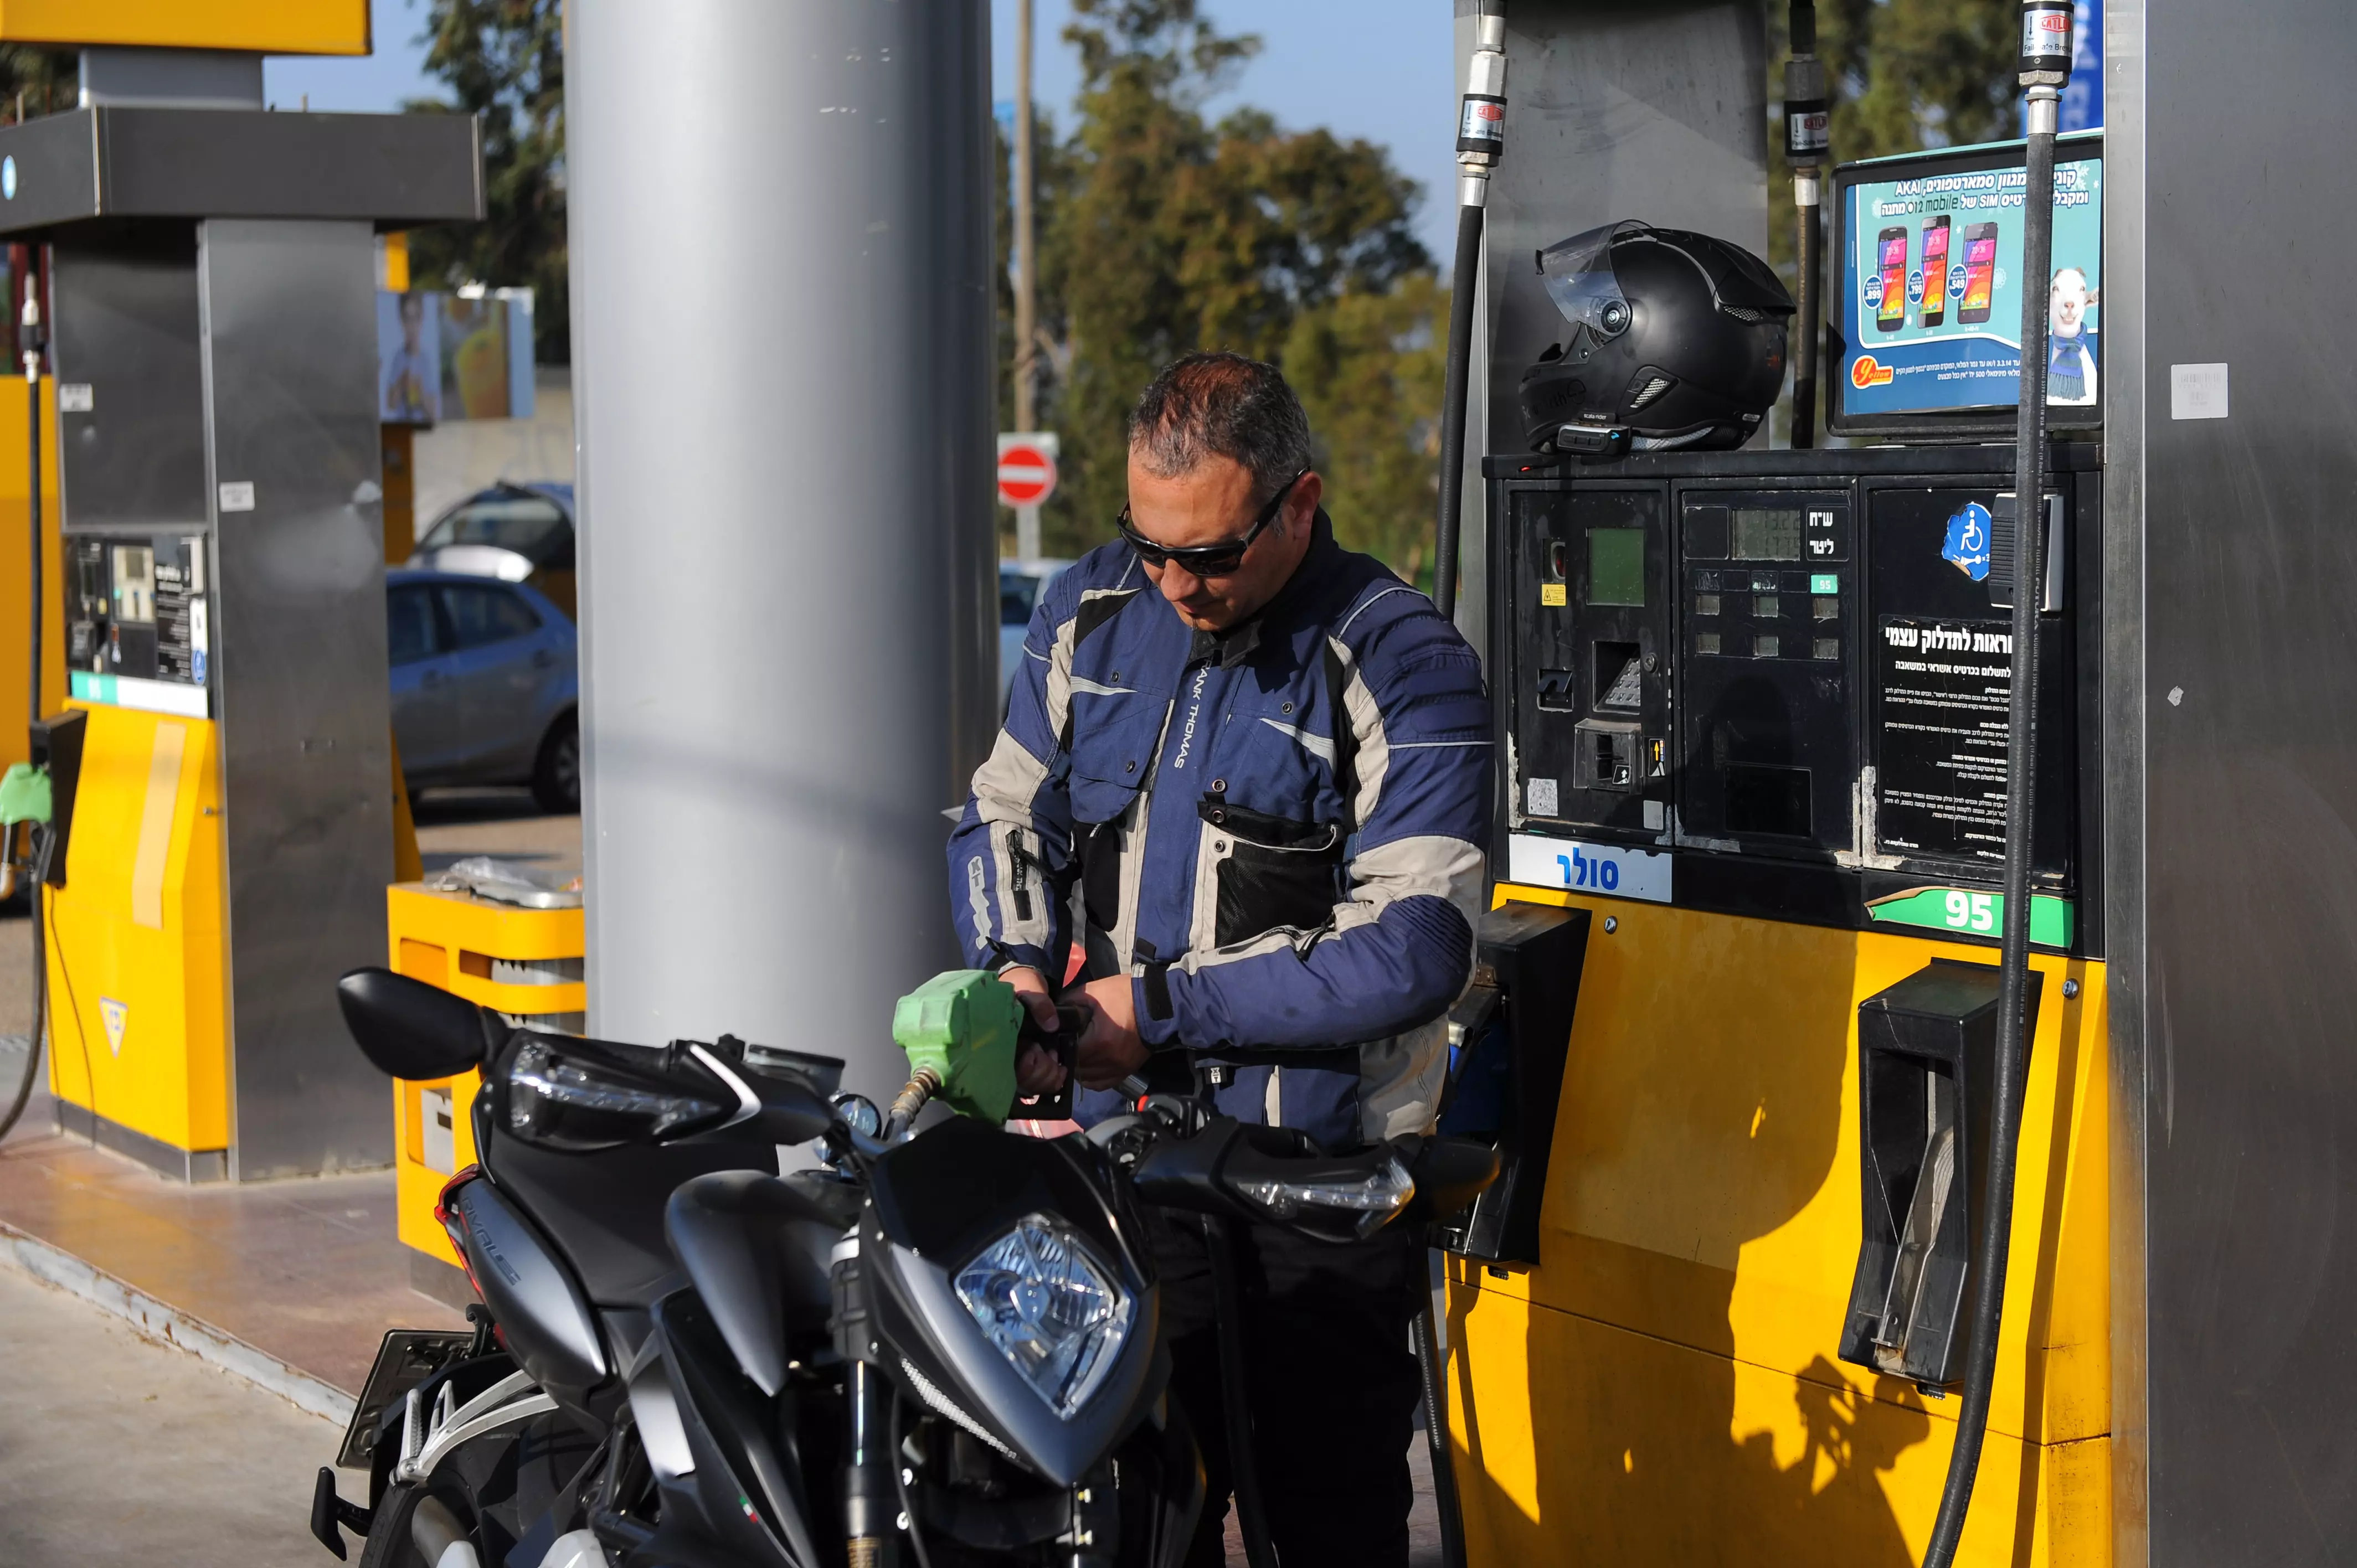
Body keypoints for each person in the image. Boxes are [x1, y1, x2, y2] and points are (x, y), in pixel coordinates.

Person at [945, 352, 1491, 1566]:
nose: (1175, 582)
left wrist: (1155, 1008)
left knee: (1323, 1530)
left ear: (1299, 503)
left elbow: (1417, 948)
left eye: (1210, 554)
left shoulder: (1405, 659)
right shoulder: (1089, 610)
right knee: (1124, 1525)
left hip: (1320, 1192)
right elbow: (1002, 813)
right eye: (1150, 546)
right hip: (1120, 1181)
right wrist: (1022, 971)